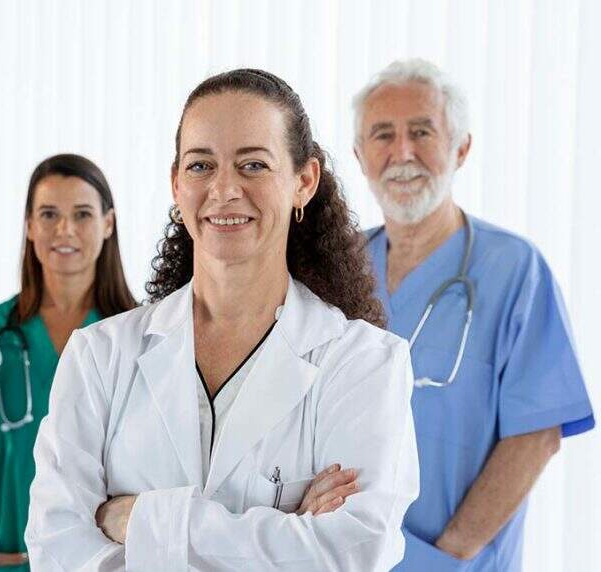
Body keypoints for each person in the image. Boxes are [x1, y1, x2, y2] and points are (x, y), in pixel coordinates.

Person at [25, 69, 420, 571]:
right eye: (200, 166)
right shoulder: (99, 355)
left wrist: (140, 521)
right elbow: (56, 550)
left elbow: (350, 553)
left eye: (253, 164)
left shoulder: (363, 363)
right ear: (175, 184)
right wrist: (287, 532)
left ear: (304, 182)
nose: (224, 189)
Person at [353, 58, 594, 571]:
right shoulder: (341, 271)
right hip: (347, 556)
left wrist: (446, 557)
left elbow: (536, 434)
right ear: (358, 155)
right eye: (382, 135)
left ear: (461, 147)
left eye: (422, 132)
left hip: (454, 561)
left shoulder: (513, 269)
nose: (403, 152)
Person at [0, 154, 138, 571]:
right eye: (49, 214)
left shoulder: (139, 337)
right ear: (30, 227)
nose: (65, 230)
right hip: (3, 557)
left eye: (82, 214)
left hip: (99, 560)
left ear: (108, 224)